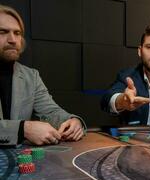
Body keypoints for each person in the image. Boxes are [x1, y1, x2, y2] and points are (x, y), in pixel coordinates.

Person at [0, 4, 86, 146]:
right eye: (3, 32)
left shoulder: (31, 76)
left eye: (17, 33)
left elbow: (51, 112)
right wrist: (23, 130)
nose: (13, 40)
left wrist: (73, 121)